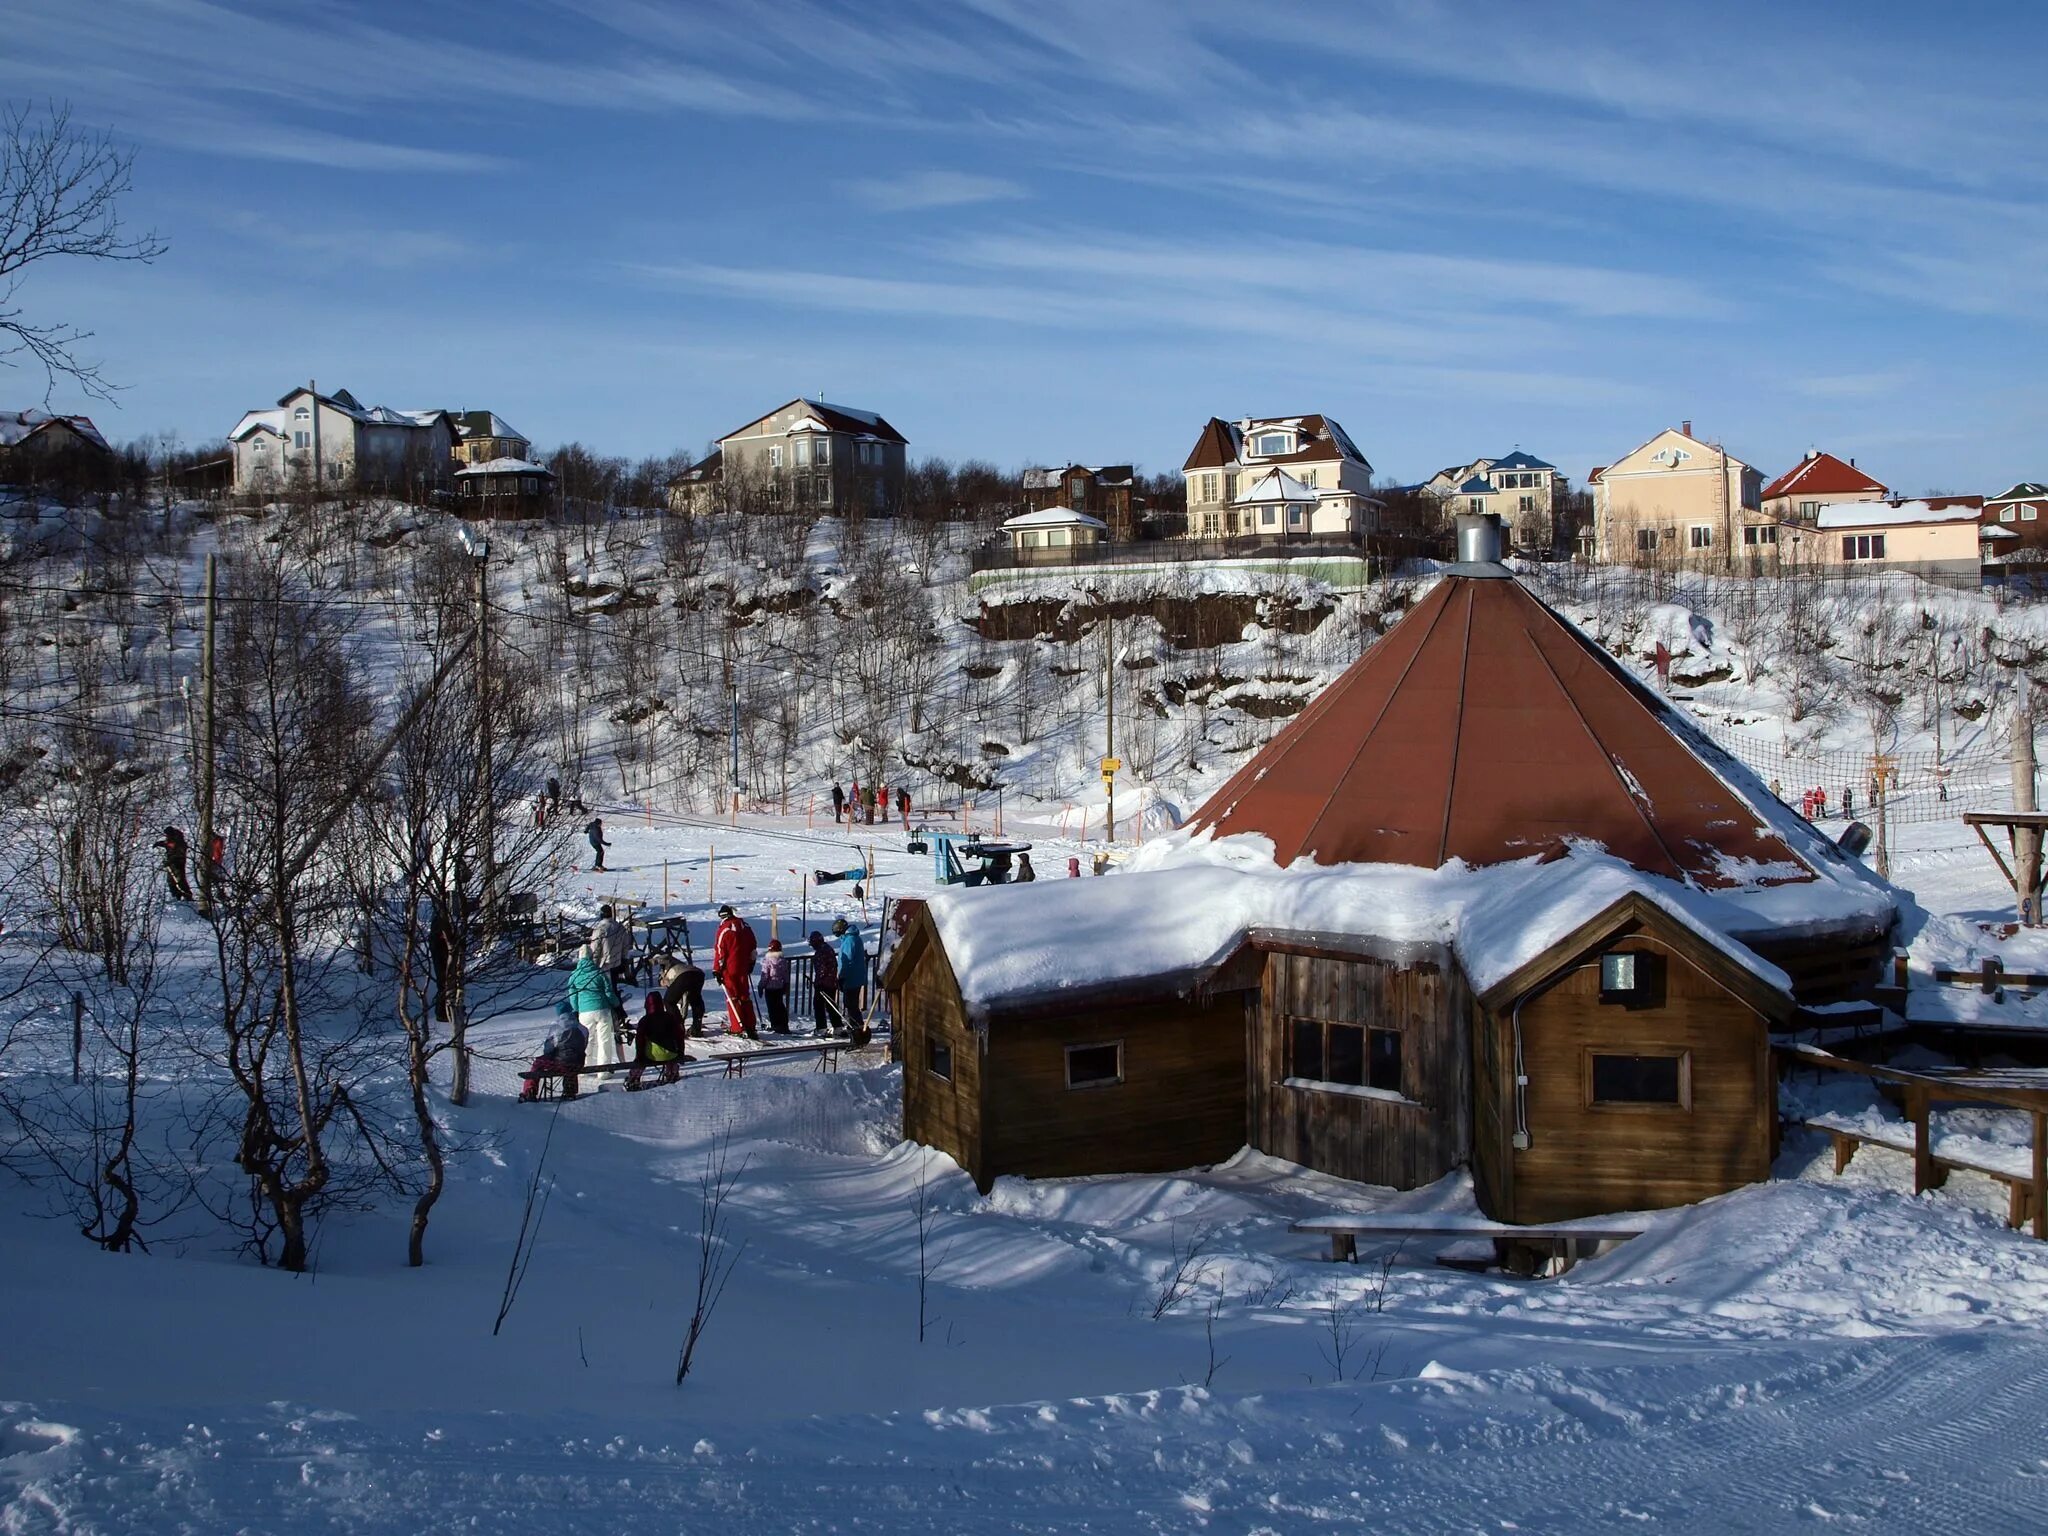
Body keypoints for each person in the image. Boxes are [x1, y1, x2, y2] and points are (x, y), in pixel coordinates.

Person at [568, 944, 626, 1070]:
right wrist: (617, 1005)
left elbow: (573, 996)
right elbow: (609, 993)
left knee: (586, 1040)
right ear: (591, 957)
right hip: (602, 1009)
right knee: (604, 1040)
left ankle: (585, 1068)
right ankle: (604, 1071)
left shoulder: (574, 976)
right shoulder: (599, 974)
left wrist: (576, 1009)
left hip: (584, 1012)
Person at [521, 1003, 587, 1102]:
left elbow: (548, 1049)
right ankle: (570, 1090)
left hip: (560, 1064)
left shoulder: (556, 1028)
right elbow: (584, 1045)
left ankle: (529, 1091)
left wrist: (551, 1054)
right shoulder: (582, 1028)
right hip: (578, 1063)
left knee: (538, 1062)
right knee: (571, 1061)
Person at [712, 904, 759, 1040]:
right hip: (743, 966)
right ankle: (750, 1024)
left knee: (732, 996)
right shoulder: (745, 926)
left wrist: (717, 970)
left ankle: (737, 1026)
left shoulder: (725, 929)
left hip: (730, 967)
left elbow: (720, 951)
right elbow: (753, 946)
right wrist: (751, 963)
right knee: (744, 995)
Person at [628, 991, 689, 1089]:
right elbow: (679, 1036)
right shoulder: (670, 1017)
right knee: (671, 1055)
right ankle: (672, 1074)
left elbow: (640, 1041)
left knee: (643, 1057)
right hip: (671, 1053)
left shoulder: (645, 1020)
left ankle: (633, 1080)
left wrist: (639, 1057)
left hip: (652, 1055)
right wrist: (681, 1052)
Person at [832, 916, 869, 1045]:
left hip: (851, 978)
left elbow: (847, 961)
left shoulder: (850, 941)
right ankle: (855, 1027)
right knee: (851, 1004)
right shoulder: (853, 938)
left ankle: (856, 1029)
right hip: (856, 977)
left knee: (851, 1004)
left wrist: (842, 977)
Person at [660, 951, 708, 1036]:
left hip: (684, 976)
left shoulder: (668, 976)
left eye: (662, 983)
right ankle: (696, 1028)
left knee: (668, 1001)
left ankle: (678, 1027)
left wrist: (650, 961)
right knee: (695, 1000)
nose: (664, 985)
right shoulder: (678, 966)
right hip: (699, 974)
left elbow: (683, 1001)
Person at [590, 904, 632, 986]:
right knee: (614, 985)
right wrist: (623, 959)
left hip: (604, 964)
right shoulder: (620, 927)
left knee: (606, 987)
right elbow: (625, 946)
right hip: (617, 962)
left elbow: (595, 949)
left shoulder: (600, 929)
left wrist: (594, 964)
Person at [428, 903, 455, 1024]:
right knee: (443, 984)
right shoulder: (438, 922)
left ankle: (450, 1007)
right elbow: (436, 941)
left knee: (449, 983)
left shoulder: (444, 919)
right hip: (441, 957)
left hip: (446, 956)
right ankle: (441, 1012)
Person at [808, 930, 839, 1033]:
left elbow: (822, 969)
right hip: (831, 981)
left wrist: (818, 982)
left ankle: (821, 1027)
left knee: (818, 1005)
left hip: (824, 983)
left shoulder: (821, 952)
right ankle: (838, 1026)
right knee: (831, 1005)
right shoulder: (828, 949)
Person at [154, 825, 193, 902]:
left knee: (180, 880)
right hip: (171, 864)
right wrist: (159, 844)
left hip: (178, 864)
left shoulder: (179, 842)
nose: (167, 836)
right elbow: (166, 844)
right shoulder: (170, 840)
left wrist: (170, 861)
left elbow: (179, 854)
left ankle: (188, 896)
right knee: (170, 881)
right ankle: (176, 896)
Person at [760, 938, 791, 1033]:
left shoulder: (767, 961)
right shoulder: (782, 960)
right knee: (780, 1006)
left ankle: (775, 1025)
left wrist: (761, 986)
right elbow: (786, 975)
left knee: (772, 1007)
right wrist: (786, 984)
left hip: (769, 988)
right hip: (779, 987)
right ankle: (783, 1024)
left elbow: (765, 975)